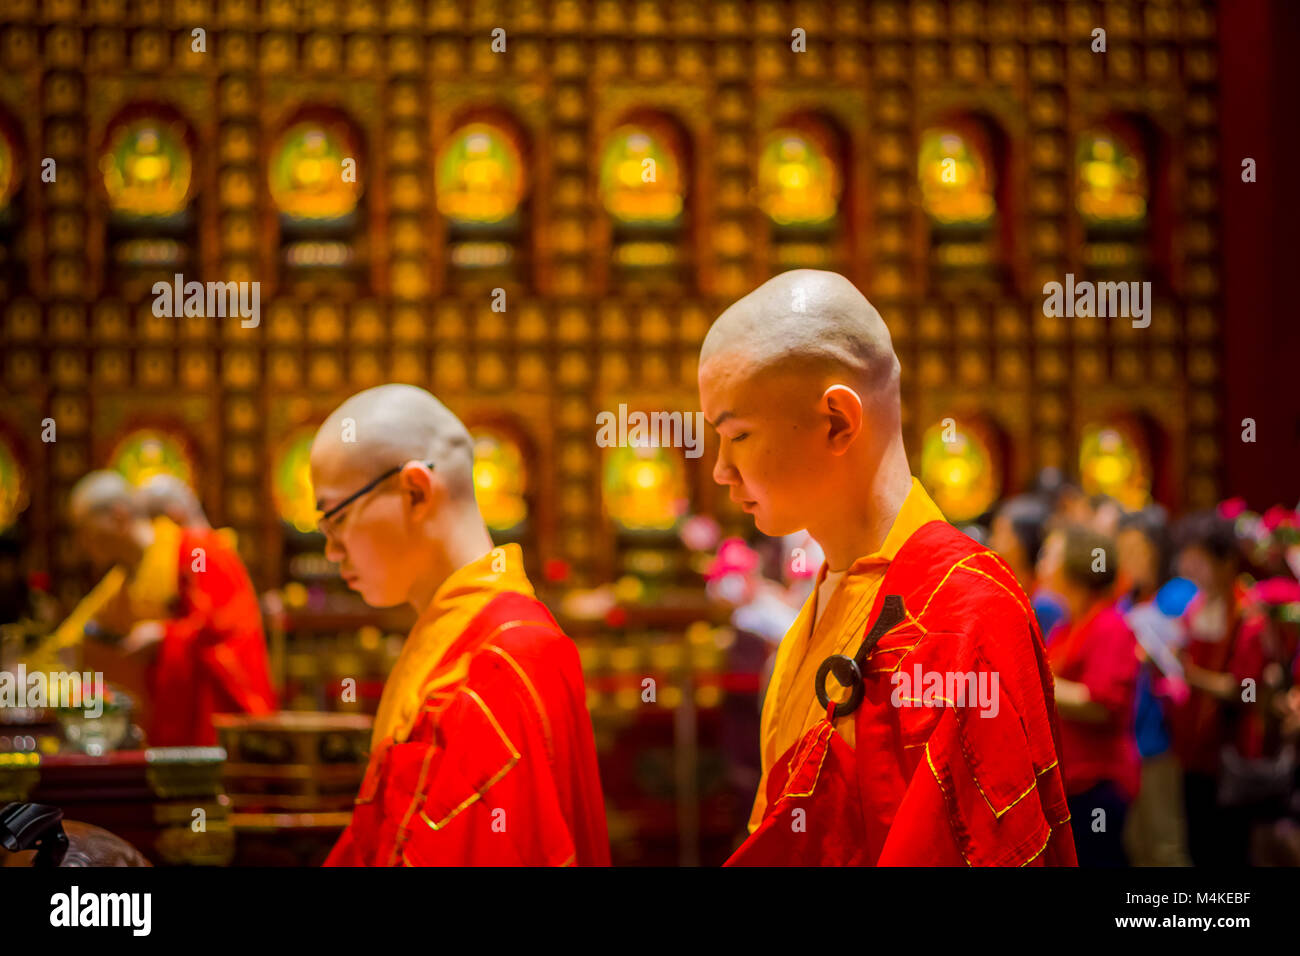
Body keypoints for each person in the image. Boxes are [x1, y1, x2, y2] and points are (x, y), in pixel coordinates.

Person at [698, 270, 1075, 865]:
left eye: (737, 434)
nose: (720, 469)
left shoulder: (965, 613)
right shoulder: (830, 595)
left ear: (838, 422)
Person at [310, 384, 609, 867]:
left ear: (415, 491)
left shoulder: (501, 658)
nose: (331, 551)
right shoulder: (467, 637)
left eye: (335, 519)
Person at [66, 470, 277, 746]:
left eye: (85, 529)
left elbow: (225, 628)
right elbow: (73, 635)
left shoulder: (198, 548)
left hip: (215, 721)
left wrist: (165, 637)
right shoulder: (122, 576)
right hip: (167, 715)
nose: (82, 544)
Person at [1044, 526, 1141, 866]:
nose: (1044, 564)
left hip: (1099, 782)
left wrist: (1039, 682)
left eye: (1051, 555)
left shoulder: (1109, 625)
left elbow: (1101, 705)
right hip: (1074, 780)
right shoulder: (1068, 625)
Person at [1168, 511, 1256, 866]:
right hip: (1193, 750)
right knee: (1197, 846)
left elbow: (1245, 689)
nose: (1192, 568)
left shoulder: (1249, 615)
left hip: (1229, 754)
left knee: (1229, 849)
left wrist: (1192, 675)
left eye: (1200, 560)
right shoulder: (1197, 607)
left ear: (1226, 562)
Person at [1114, 507, 1193, 866]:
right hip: (1128, 740)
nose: (1128, 561)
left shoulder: (1180, 595)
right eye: (1122, 551)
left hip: (1165, 736)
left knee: (1166, 843)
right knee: (1134, 843)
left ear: (1157, 550)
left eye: (1137, 551)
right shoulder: (1122, 601)